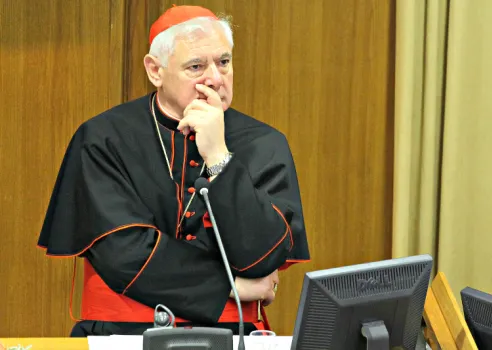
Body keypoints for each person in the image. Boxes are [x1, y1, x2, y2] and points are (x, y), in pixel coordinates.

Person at [37, 4, 310, 336]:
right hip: (121, 333)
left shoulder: (265, 143)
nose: (215, 77)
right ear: (155, 71)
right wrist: (230, 286)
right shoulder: (104, 138)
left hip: (229, 334)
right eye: (196, 66)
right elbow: (123, 255)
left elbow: (262, 258)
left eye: (224, 62)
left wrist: (220, 158)